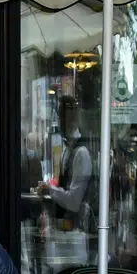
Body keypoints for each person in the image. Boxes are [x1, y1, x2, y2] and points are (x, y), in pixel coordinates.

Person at [37, 97, 91, 229]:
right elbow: (64, 185)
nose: (59, 122)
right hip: (64, 229)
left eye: (62, 117)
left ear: (72, 118)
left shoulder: (81, 153)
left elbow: (74, 201)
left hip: (76, 232)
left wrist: (50, 190)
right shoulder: (67, 150)